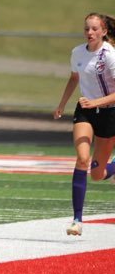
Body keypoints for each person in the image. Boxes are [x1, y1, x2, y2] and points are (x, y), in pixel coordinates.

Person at [53, 13, 115, 236]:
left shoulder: (110, 56)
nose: (90, 33)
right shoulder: (77, 52)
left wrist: (96, 102)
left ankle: (112, 166)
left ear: (104, 32)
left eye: (95, 29)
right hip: (85, 112)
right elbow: (74, 78)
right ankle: (77, 220)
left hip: (109, 115)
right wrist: (61, 104)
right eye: (87, 28)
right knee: (82, 158)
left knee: (97, 175)